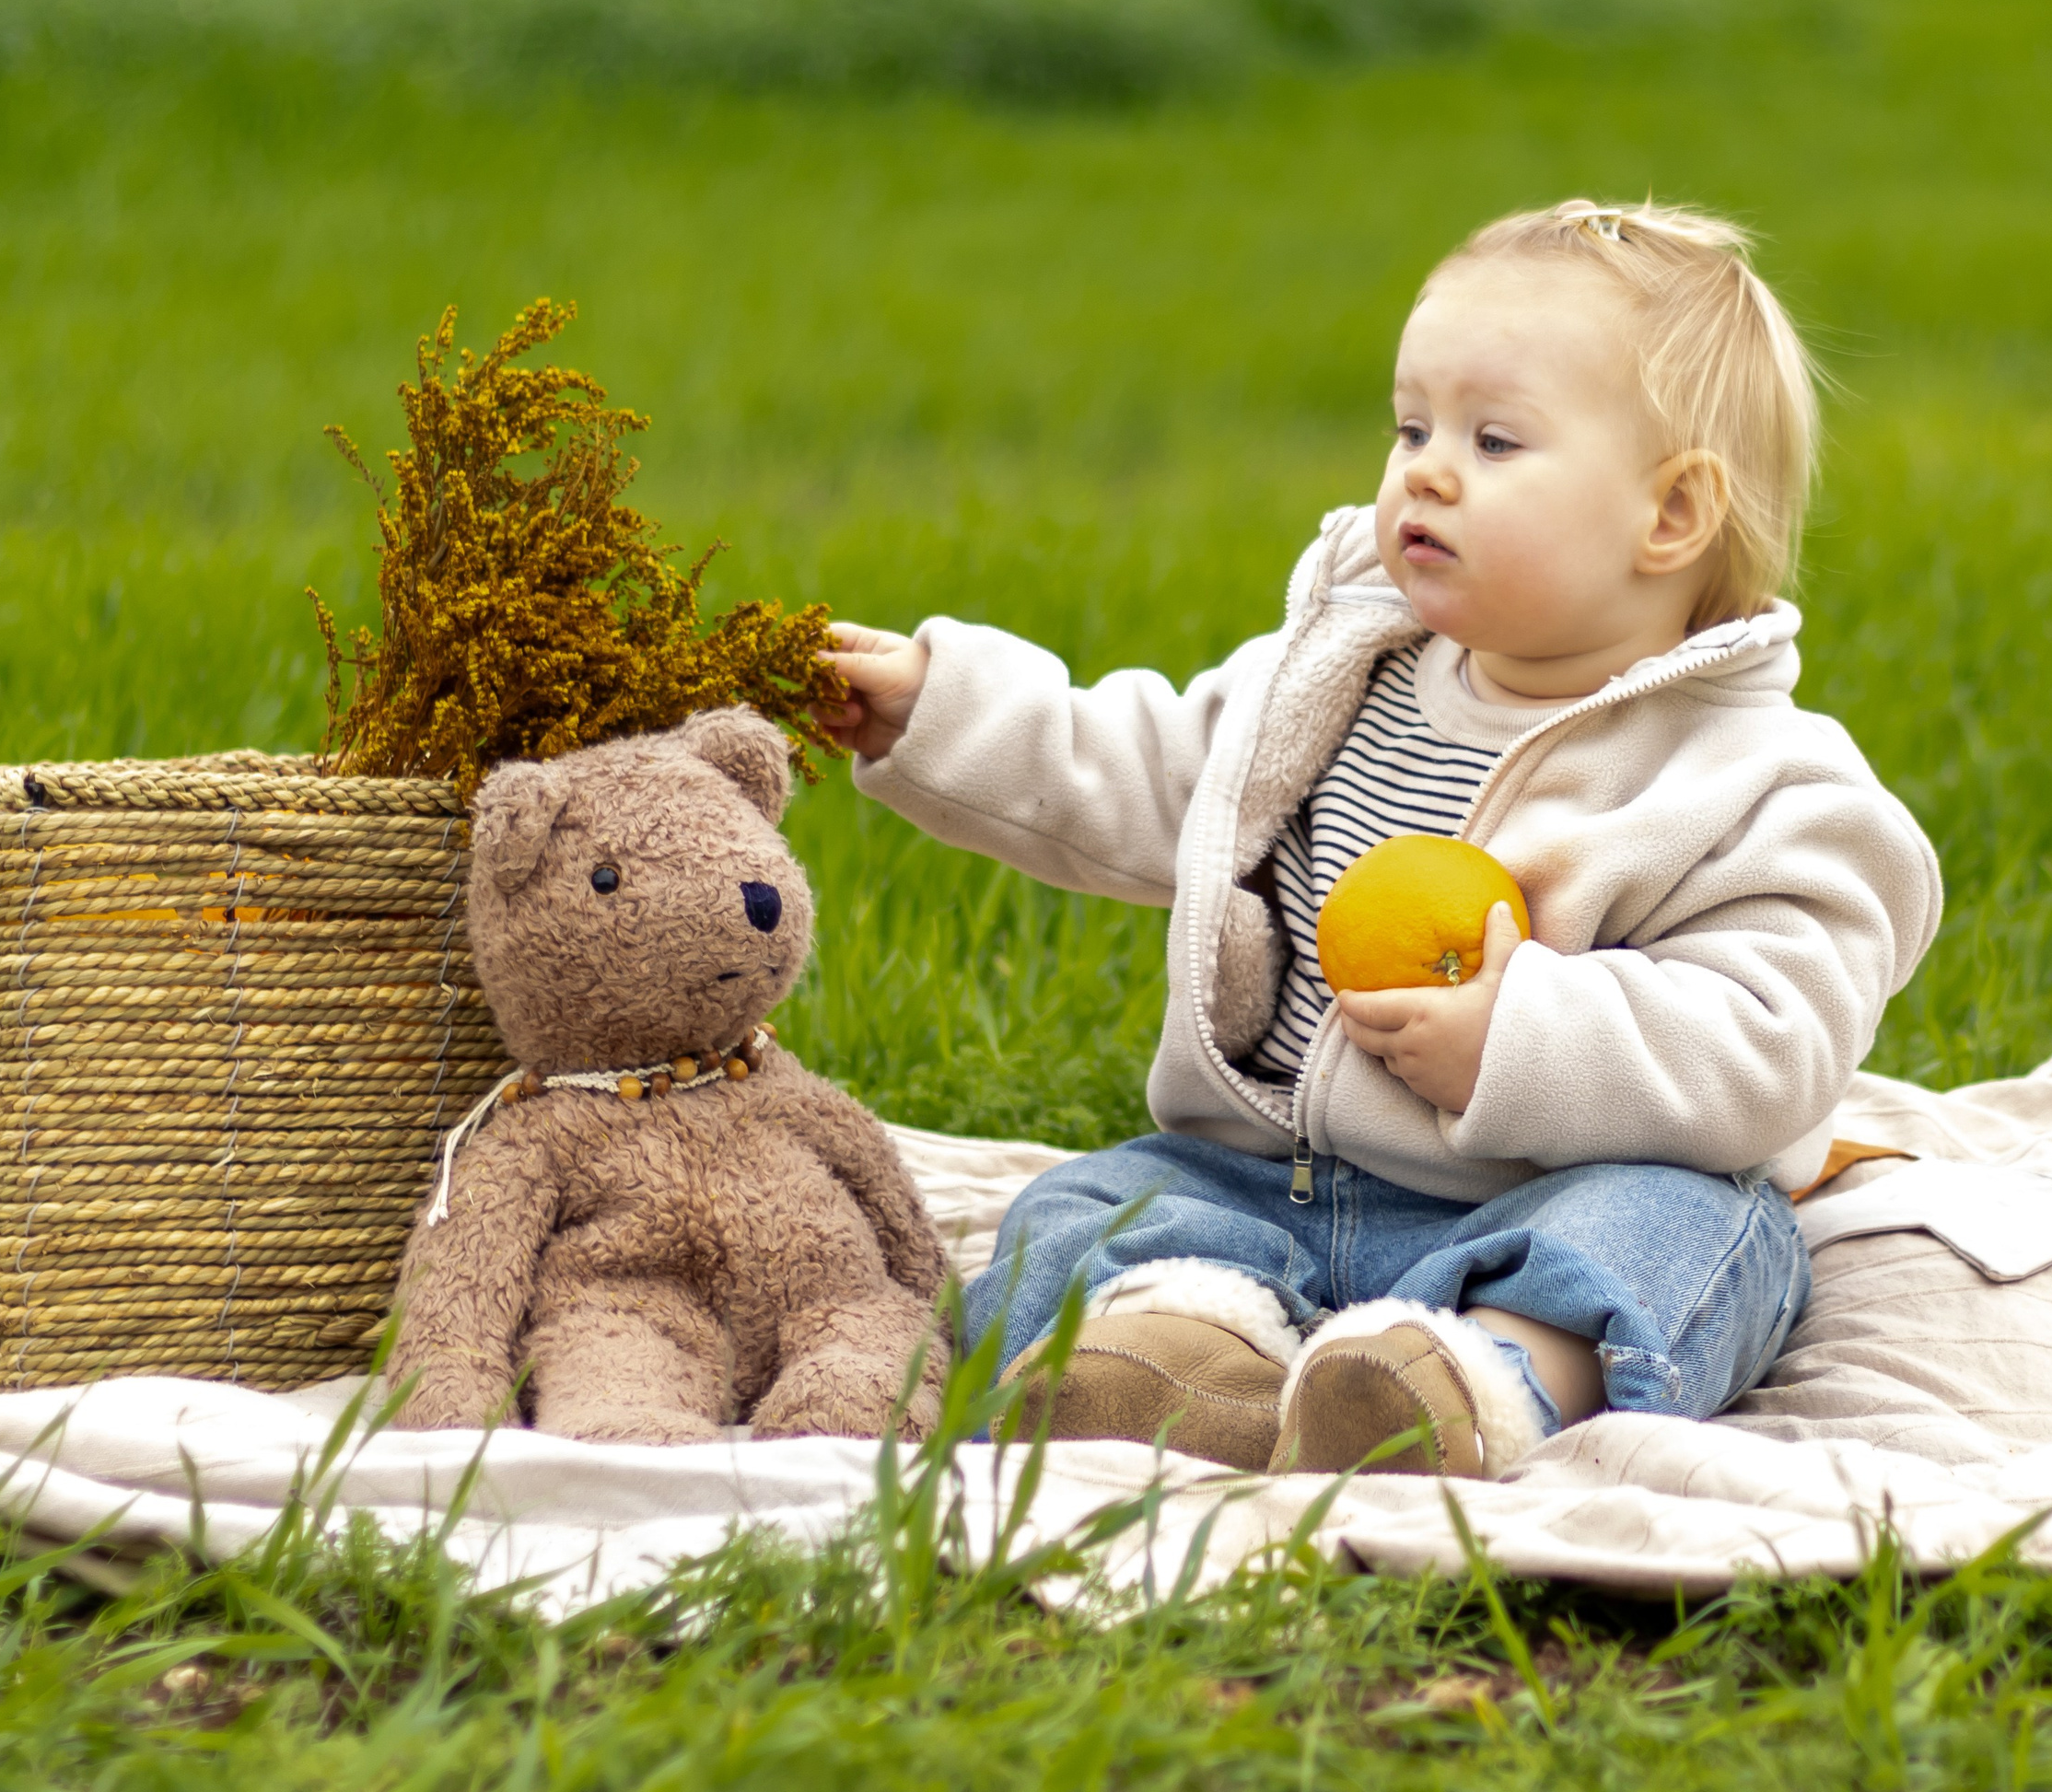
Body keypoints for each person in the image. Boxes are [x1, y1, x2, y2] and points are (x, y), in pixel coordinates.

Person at [825, 201, 1941, 1480]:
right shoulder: (1340, 675)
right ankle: (1186, 1350)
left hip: (1533, 1199)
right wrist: (939, 709)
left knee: (1697, 1235)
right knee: (1086, 1207)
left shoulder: (1761, 783)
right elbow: (1145, 774)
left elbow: (1771, 1041)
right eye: (1412, 428)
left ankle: (1474, 1383)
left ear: (1672, 516)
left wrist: (1519, 1033)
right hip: (1268, 1183)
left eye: (1494, 439)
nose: (1425, 469)